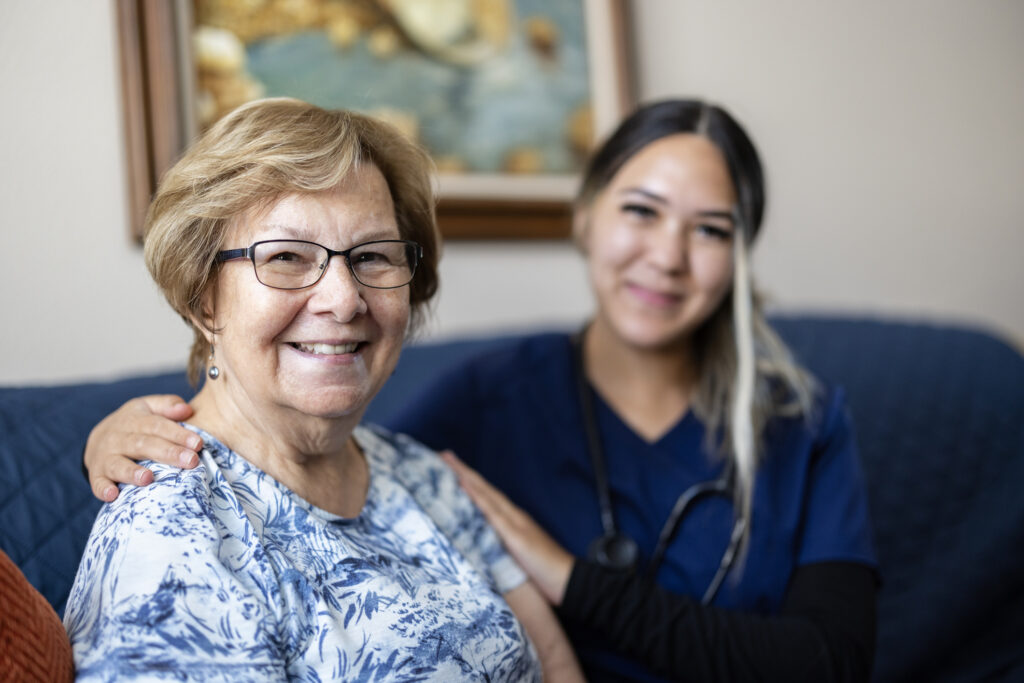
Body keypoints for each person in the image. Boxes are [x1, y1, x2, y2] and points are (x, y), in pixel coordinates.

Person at [83, 99, 879, 681]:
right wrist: (125, 433)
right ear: (586, 218)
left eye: (712, 228)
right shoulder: (492, 397)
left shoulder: (801, 422)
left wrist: (574, 581)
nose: (343, 297)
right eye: (287, 256)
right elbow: (293, 424)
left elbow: (827, 659)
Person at [64, 98, 582, 682]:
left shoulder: (419, 472)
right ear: (203, 298)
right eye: (286, 256)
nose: (343, 299)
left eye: (373, 256)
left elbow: (554, 662)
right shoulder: (173, 531)